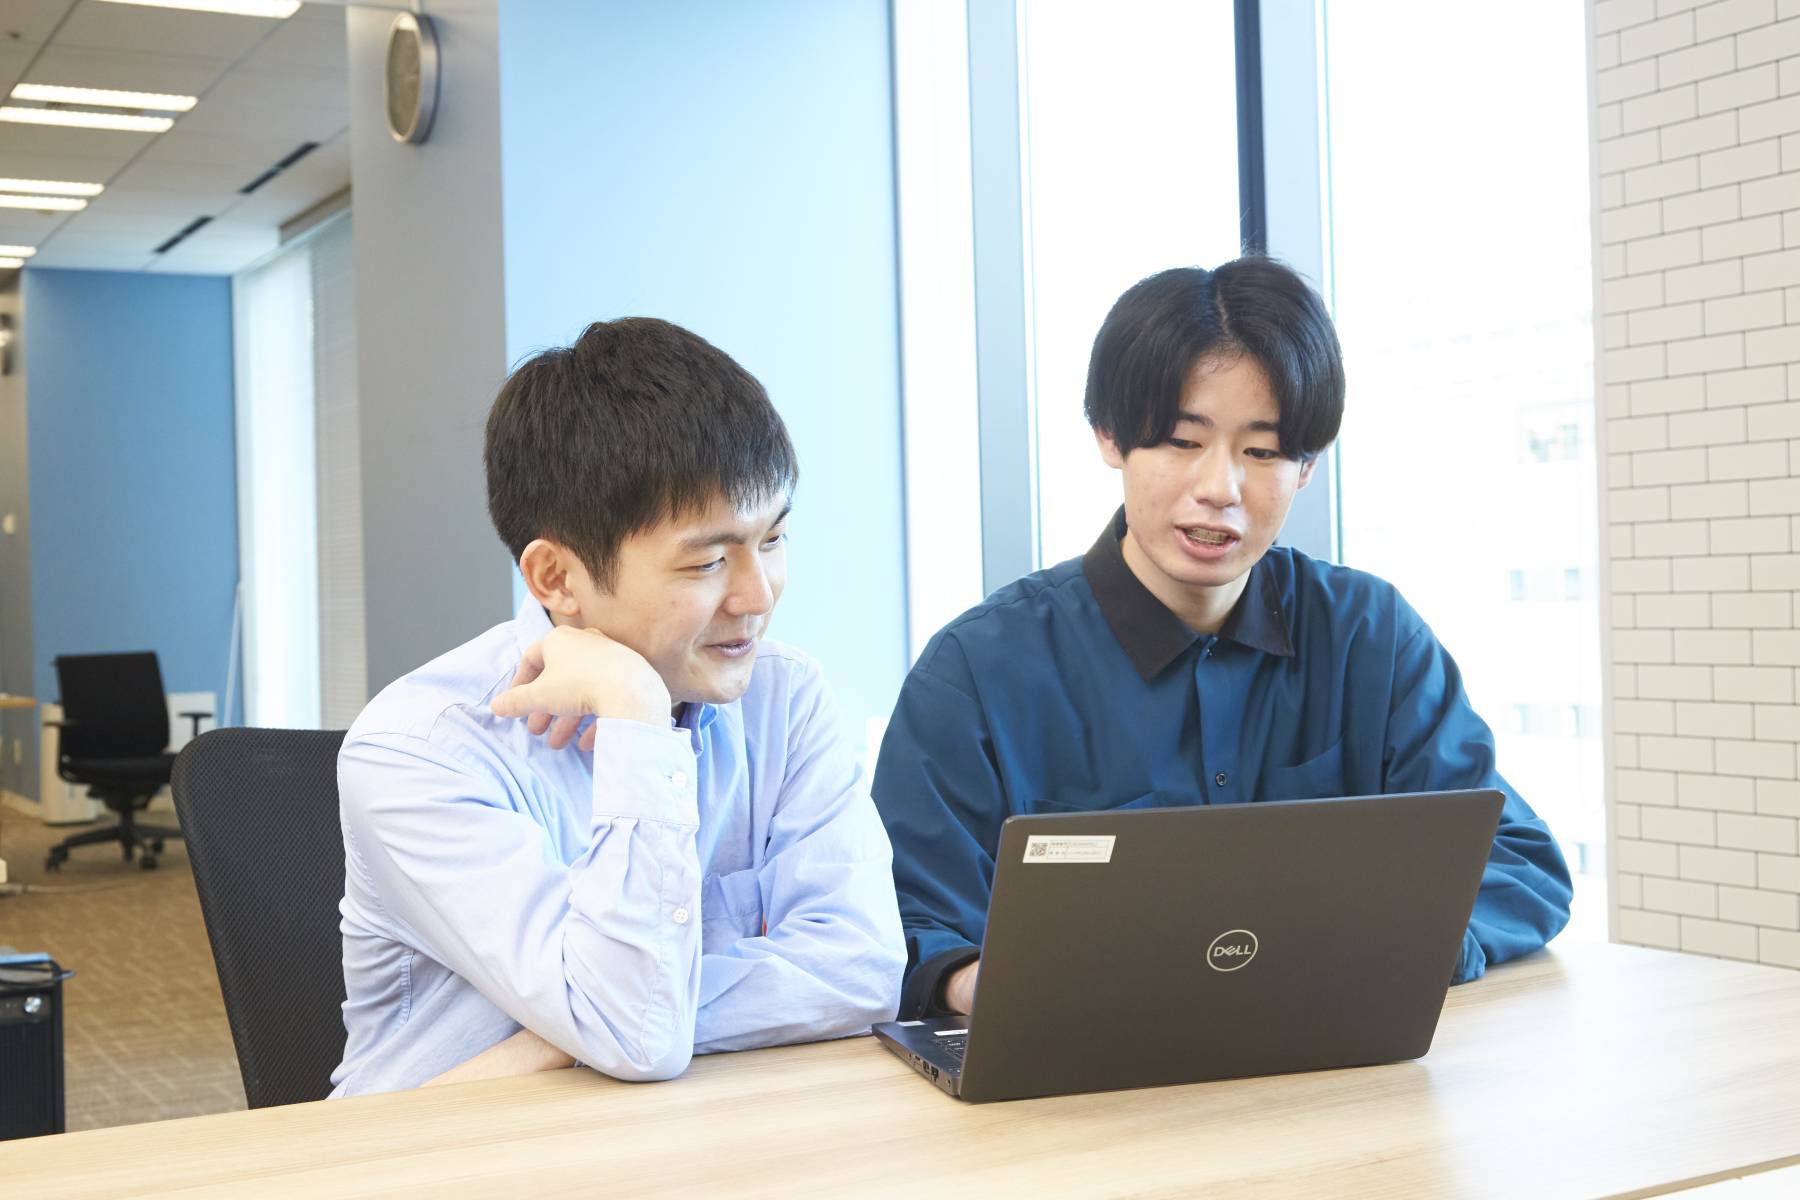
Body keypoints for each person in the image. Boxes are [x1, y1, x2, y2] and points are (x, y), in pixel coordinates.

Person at [873, 258, 1573, 1019]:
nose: (1220, 488)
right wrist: (982, 982)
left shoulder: (1369, 637)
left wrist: (1389, 947)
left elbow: (1517, 863)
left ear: (1307, 467)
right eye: (1182, 440)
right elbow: (902, 924)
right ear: (1110, 436)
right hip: (1085, 1068)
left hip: (1337, 1064)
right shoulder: (977, 672)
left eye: (1262, 452)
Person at [330, 318, 904, 1096]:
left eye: (772, 541)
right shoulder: (419, 751)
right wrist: (637, 717)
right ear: (557, 579)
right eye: (708, 561)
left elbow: (863, 971)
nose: (757, 596)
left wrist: (565, 1039)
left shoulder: (785, 699)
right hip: (450, 1144)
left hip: (703, 1121)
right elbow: (636, 1037)